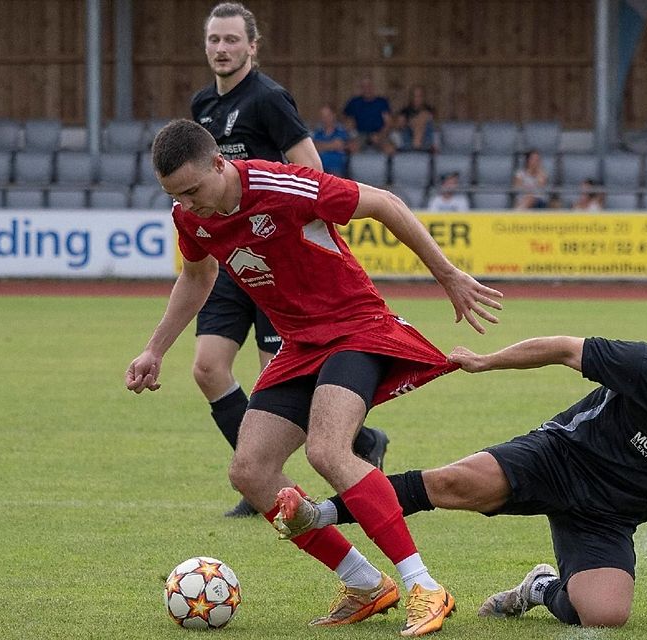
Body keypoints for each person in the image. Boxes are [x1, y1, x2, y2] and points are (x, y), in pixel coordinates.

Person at [125, 119, 504, 635]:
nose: (187, 205)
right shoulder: (190, 216)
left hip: (355, 328)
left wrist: (448, 274)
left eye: (192, 191)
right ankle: (365, 582)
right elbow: (197, 276)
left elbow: (386, 203)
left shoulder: (282, 185)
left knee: (327, 450)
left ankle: (424, 586)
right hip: (300, 345)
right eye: (176, 196)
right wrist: (155, 349)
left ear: (219, 163)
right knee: (250, 471)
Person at [274, 335, 647, 629]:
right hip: (556, 458)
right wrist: (486, 362)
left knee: (606, 616)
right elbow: (564, 349)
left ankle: (538, 587)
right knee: (450, 483)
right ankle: (321, 513)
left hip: (607, 516)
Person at [191, 2, 390, 518]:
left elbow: (310, 169)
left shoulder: (269, 98)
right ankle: (265, 475)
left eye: (232, 40)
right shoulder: (202, 106)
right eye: (214, 39)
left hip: (274, 260)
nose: (221, 49)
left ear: (252, 46)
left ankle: (300, 470)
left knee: (275, 380)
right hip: (230, 256)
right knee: (208, 368)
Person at [343, 76, 395, 154]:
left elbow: (389, 123)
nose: (367, 89)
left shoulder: (381, 102)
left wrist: (380, 135)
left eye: (369, 86)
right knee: (350, 147)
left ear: (373, 87)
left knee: (390, 149)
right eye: (364, 86)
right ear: (361, 88)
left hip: (379, 134)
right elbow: (345, 118)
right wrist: (350, 126)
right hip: (360, 134)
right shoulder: (354, 102)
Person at [312, 104, 351, 177]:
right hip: (320, 169)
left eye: (328, 115)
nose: (325, 119)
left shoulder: (341, 130)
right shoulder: (317, 132)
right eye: (323, 116)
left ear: (334, 115)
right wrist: (331, 145)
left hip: (336, 169)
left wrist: (321, 146)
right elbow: (314, 147)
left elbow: (339, 145)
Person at [395, 85, 435, 152]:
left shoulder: (429, 110)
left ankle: (416, 146)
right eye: (414, 96)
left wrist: (412, 122)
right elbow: (398, 125)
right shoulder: (405, 111)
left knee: (423, 116)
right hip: (408, 145)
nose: (417, 99)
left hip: (425, 145)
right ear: (411, 97)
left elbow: (427, 119)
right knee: (404, 120)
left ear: (423, 97)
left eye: (419, 96)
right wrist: (405, 123)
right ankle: (416, 147)